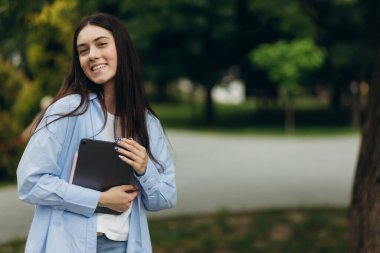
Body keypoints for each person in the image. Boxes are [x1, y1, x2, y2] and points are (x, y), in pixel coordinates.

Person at [17, 13, 176, 253]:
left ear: (121, 49)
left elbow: (165, 197)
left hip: (126, 246)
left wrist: (145, 169)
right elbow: (30, 182)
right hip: (70, 245)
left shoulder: (147, 122)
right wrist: (99, 200)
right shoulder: (66, 111)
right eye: (83, 50)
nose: (92, 55)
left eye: (101, 44)